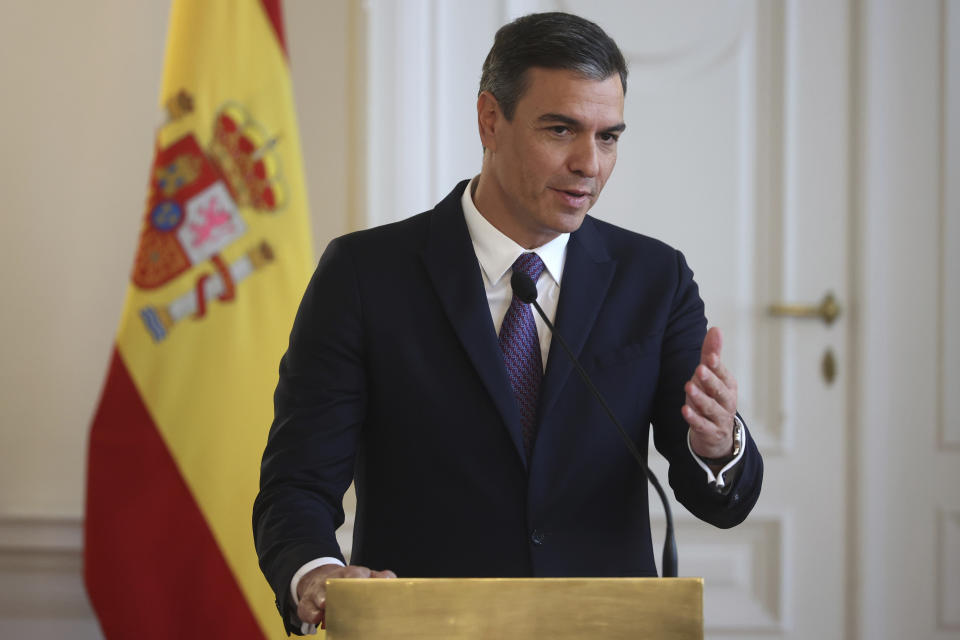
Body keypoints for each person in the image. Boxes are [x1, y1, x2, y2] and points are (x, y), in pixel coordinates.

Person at [253, 11, 762, 635]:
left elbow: (710, 493)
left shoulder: (654, 279)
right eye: (561, 129)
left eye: (609, 137)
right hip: (427, 626)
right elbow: (297, 481)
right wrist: (316, 573)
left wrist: (716, 446)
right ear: (490, 119)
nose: (589, 164)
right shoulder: (365, 274)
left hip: (602, 626)